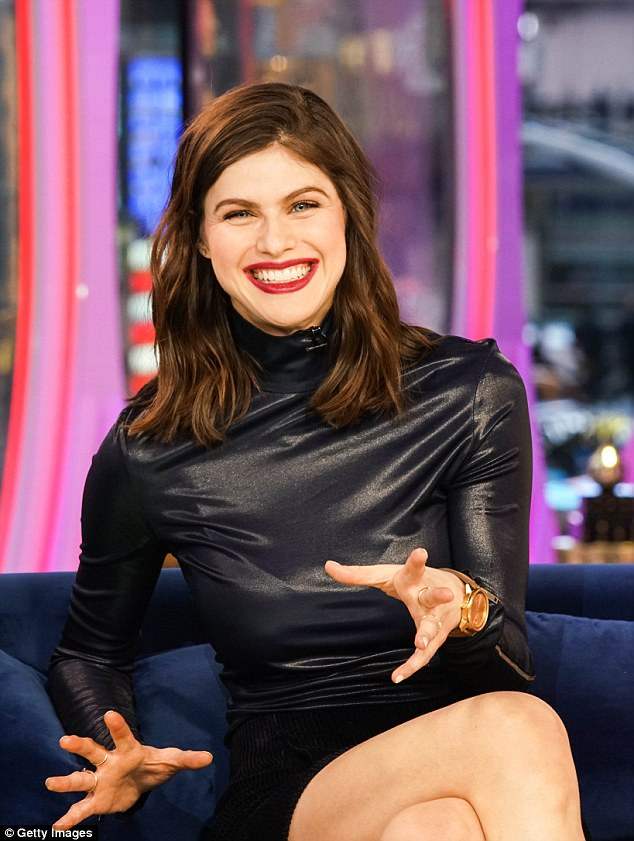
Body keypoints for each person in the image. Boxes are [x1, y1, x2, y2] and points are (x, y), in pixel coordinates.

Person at [45, 81, 588, 841]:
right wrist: (115, 749)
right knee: (517, 726)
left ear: (347, 217)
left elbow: (507, 664)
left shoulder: (468, 392)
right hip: (290, 784)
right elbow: (88, 653)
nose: (275, 242)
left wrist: (465, 610)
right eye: (240, 214)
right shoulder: (153, 442)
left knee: (439, 827)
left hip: (458, 753)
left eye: (303, 205)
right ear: (200, 238)